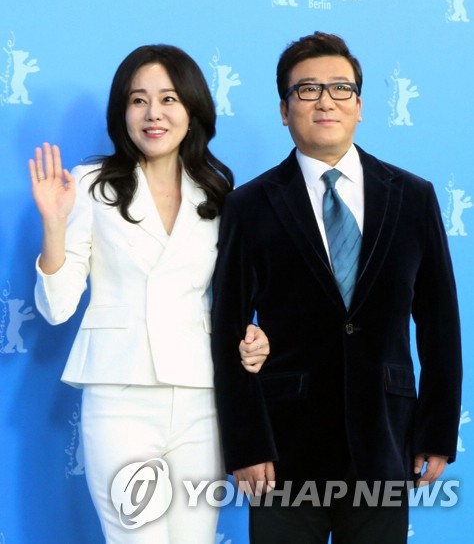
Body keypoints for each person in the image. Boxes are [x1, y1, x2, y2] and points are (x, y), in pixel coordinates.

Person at [211, 32, 462, 544]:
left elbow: (440, 324)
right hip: (284, 450)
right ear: (284, 110)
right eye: (307, 89)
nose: (325, 101)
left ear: (360, 106)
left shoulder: (413, 197)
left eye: (340, 88)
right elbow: (227, 330)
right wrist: (247, 444)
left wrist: (437, 432)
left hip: (384, 441)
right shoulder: (249, 205)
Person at [29, 44, 269, 544]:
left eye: (168, 99)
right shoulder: (91, 185)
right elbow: (56, 308)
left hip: (201, 395)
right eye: (138, 100)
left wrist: (256, 335)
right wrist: (54, 225)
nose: (153, 113)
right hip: (120, 394)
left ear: (192, 110)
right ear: (122, 112)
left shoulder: (220, 194)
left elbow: (234, 297)